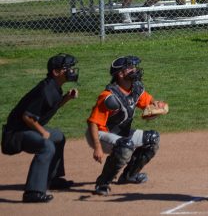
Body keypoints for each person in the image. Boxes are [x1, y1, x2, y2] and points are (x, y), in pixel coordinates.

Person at [1, 54, 79, 203]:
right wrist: (43, 132)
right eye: (67, 68)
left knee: (58, 137)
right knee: (47, 146)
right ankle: (33, 192)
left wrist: (66, 98)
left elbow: (51, 106)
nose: (71, 70)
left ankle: (53, 178)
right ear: (56, 72)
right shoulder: (46, 90)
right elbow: (27, 117)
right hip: (16, 134)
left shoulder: (54, 87)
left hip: (26, 129)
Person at [86, 55, 166, 196]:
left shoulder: (135, 89)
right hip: (99, 135)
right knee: (126, 146)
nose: (135, 70)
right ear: (121, 74)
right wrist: (97, 148)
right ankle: (103, 183)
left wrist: (157, 106)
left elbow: (149, 103)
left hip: (120, 134)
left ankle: (129, 175)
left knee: (153, 138)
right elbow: (93, 122)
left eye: (134, 67)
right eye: (130, 68)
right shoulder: (109, 97)